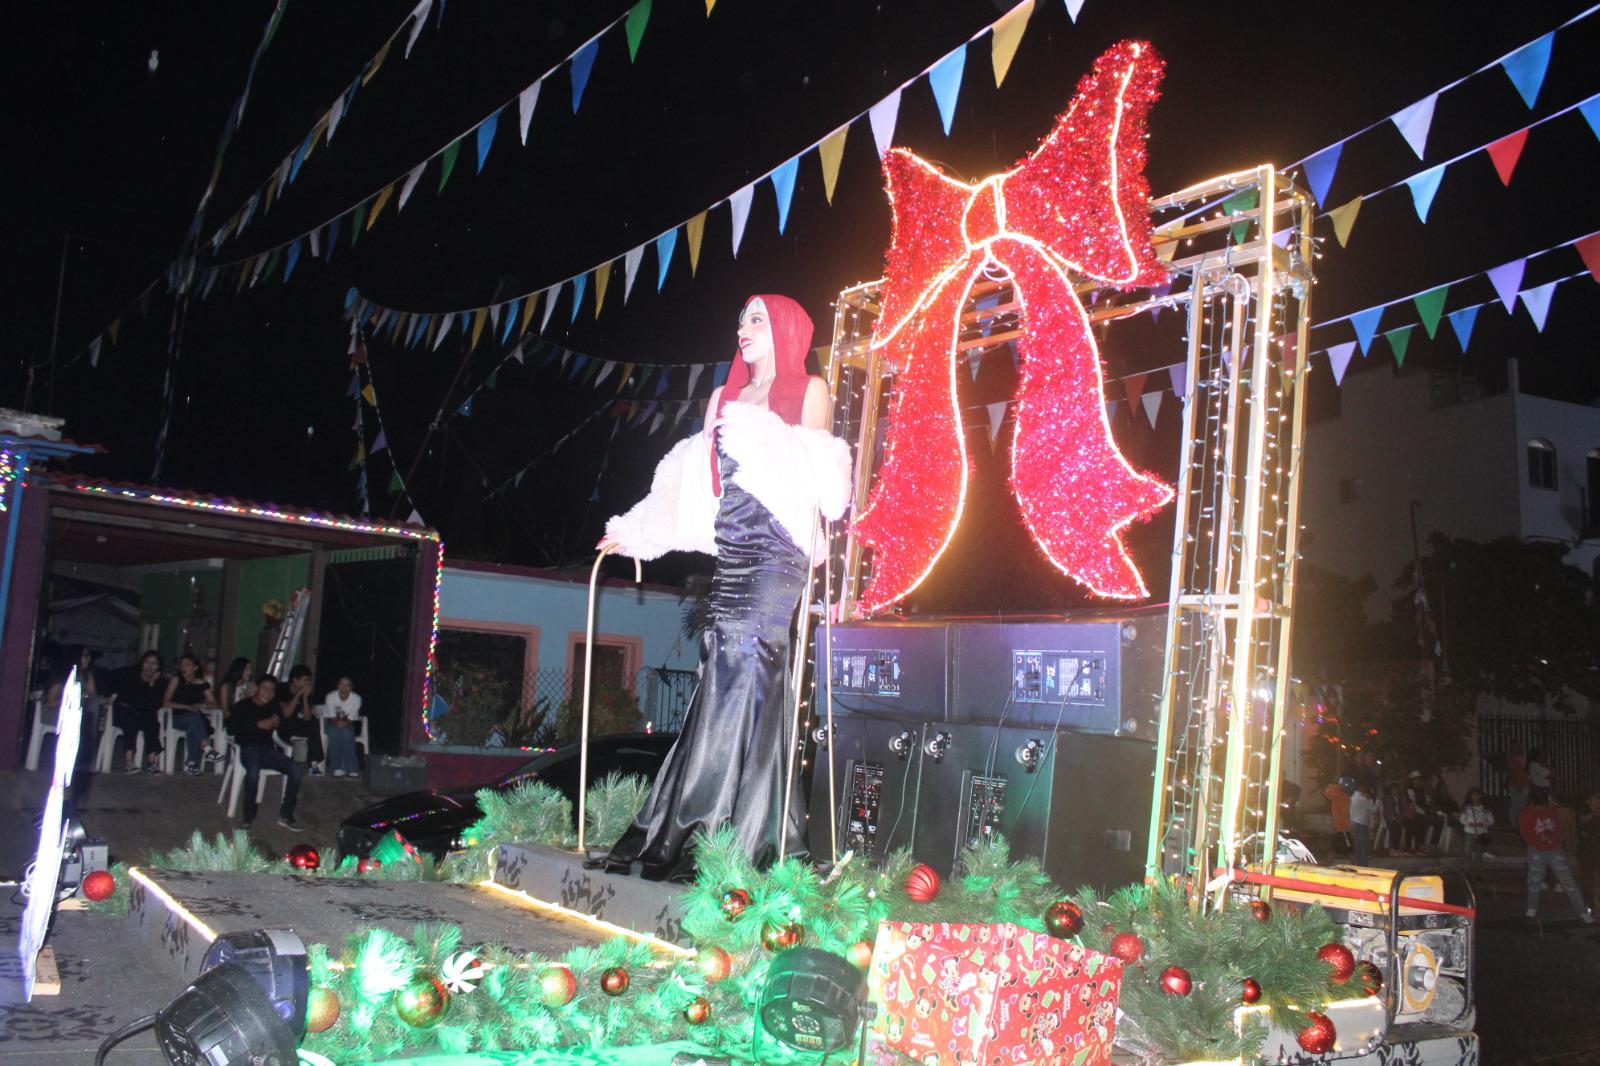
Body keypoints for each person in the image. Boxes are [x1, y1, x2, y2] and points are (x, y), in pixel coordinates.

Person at [595, 294, 851, 882]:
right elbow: (688, 480)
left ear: (785, 328)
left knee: (751, 661)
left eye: (756, 318)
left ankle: (728, 830)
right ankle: (717, 825)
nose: (742, 328)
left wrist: (756, 431)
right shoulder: (723, 400)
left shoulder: (808, 390)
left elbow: (816, 479)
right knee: (721, 665)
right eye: (739, 318)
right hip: (734, 551)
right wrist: (634, 530)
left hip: (776, 551)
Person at [227, 675, 303, 831]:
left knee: (296, 770)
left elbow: (283, 726)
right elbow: (231, 729)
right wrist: (258, 725)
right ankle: (248, 817)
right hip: (247, 748)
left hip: (268, 750)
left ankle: (286, 814)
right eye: (265, 688)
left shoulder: (273, 707)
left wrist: (277, 722)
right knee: (253, 772)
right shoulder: (243, 706)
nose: (268, 693)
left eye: (272, 690)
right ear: (257, 688)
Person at [1518, 788, 1593, 924]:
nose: (1542, 808)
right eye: (1539, 805)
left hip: (1554, 850)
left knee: (1568, 882)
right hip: (1536, 851)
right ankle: (1531, 909)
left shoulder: (1551, 811)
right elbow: (1525, 833)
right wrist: (1539, 840)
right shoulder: (1526, 813)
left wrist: (1552, 838)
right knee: (1535, 882)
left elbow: (1560, 830)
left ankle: (1583, 912)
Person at [111, 651, 166, 772]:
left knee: (152, 723)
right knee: (131, 722)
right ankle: (129, 761)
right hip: (125, 711)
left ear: (158, 667)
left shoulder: (160, 682)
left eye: (154, 664)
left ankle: (152, 762)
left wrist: (152, 684)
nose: (150, 666)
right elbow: (129, 699)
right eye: (147, 662)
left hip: (144, 714)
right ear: (142, 663)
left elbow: (156, 704)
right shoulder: (131, 676)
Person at [163, 653, 217, 775]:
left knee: (193, 723)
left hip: (194, 719)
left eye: (187, 664)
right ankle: (207, 749)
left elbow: (213, 704)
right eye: (182, 665)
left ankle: (191, 764)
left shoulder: (202, 684)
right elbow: (166, 702)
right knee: (194, 718)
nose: (183, 667)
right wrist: (185, 707)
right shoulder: (176, 681)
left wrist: (202, 705)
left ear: (195, 668)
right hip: (176, 718)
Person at [275, 664, 325, 772]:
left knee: (314, 723)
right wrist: (298, 695)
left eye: (309, 680)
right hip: (281, 724)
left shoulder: (306, 693)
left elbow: (307, 718)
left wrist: (305, 697)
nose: (308, 683)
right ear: (295, 680)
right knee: (288, 722)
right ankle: (283, 757)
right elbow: (285, 714)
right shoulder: (282, 689)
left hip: (297, 723)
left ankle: (314, 762)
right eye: (305, 680)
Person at [320, 676, 363, 778]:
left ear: (351, 687)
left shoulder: (356, 699)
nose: (344, 688)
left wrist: (344, 724)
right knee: (334, 733)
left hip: (348, 722)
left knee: (347, 734)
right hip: (331, 721)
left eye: (347, 685)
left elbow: (351, 718)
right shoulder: (330, 697)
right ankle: (336, 768)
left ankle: (352, 769)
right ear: (338, 686)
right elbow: (331, 718)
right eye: (341, 684)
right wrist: (338, 724)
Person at [1459, 786, 1494, 874]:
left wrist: (1483, 824)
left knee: (1478, 855)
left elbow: (1491, 821)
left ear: (1481, 796)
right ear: (1470, 796)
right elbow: (1462, 819)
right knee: (1467, 854)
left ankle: (1477, 874)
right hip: (1469, 833)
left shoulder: (1485, 809)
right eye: (1473, 795)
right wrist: (1469, 823)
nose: (1475, 797)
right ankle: (1466, 872)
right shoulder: (1467, 808)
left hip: (1481, 833)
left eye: (1477, 795)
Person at [1579, 791, 1600, 910]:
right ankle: (1588, 905)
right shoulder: (1585, 810)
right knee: (1587, 877)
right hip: (1587, 847)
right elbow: (1583, 821)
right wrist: (1594, 812)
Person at [1349, 782, 1378, 865]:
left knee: (1357, 844)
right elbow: (1374, 809)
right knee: (1363, 845)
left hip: (1354, 822)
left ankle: (1359, 862)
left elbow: (1351, 811)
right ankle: (1363, 863)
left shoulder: (1353, 797)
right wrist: (1379, 799)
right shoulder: (1363, 799)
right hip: (1361, 823)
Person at [1322, 777, 1352, 855]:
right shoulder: (1339, 796)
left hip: (1343, 827)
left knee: (1341, 847)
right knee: (1349, 848)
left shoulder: (1343, 797)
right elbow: (1327, 792)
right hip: (1342, 827)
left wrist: (1338, 786)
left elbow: (1327, 792)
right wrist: (1338, 786)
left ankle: (1329, 860)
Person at [1505, 740, 1530, 829]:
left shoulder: (1522, 757)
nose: (1517, 748)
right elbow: (1512, 772)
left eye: (1518, 746)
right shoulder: (1511, 758)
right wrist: (1517, 783)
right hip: (1516, 783)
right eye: (1515, 746)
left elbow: (1524, 770)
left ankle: (1520, 821)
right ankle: (1514, 822)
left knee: (1522, 803)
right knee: (1516, 803)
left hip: (1523, 782)